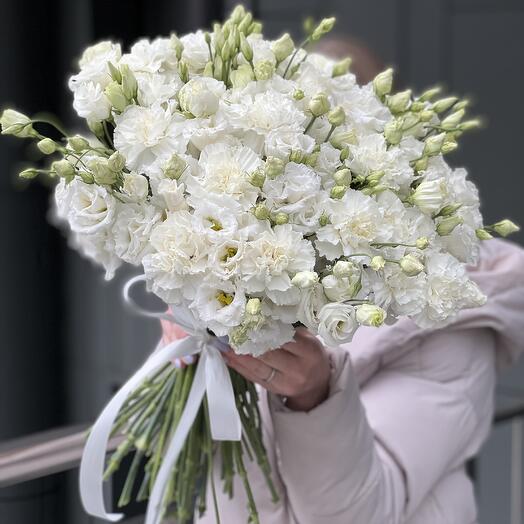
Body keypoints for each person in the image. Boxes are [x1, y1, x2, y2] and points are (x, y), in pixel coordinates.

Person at [159, 238, 524, 523]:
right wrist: (190, 341)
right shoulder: (263, 253)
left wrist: (316, 396)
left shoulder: (451, 311)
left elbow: (356, 515)